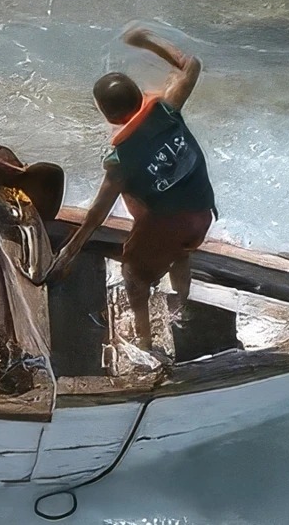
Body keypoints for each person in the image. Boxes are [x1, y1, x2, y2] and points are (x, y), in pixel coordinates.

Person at [43, 22, 217, 355]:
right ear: (140, 96)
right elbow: (191, 64)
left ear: (108, 116)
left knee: (135, 280)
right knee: (182, 253)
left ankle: (145, 344)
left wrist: (71, 249)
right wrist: (147, 40)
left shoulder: (120, 162)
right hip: (201, 213)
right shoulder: (168, 108)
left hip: (167, 225)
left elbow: (97, 212)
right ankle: (181, 305)